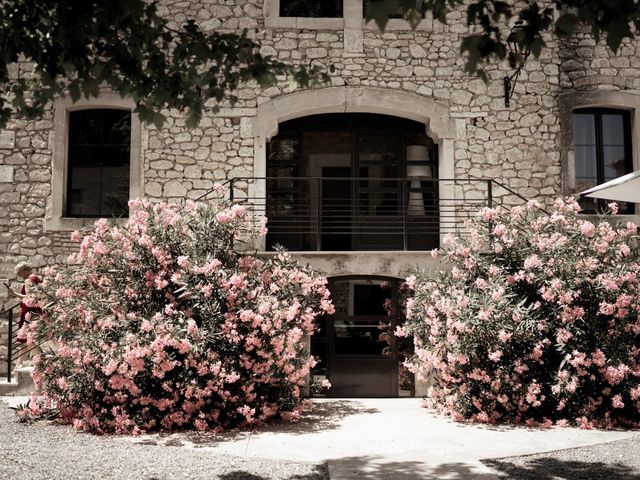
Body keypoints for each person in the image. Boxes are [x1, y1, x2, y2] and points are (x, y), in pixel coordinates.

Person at [5, 261, 41, 344]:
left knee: (26, 339)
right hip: (33, 311)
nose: (19, 276)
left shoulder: (28, 280)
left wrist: (14, 293)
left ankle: (42, 356)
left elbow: (30, 297)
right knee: (26, 340)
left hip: (28, 313)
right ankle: (25, 357)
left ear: (24, 270)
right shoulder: (35, 278)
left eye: (19, 273)